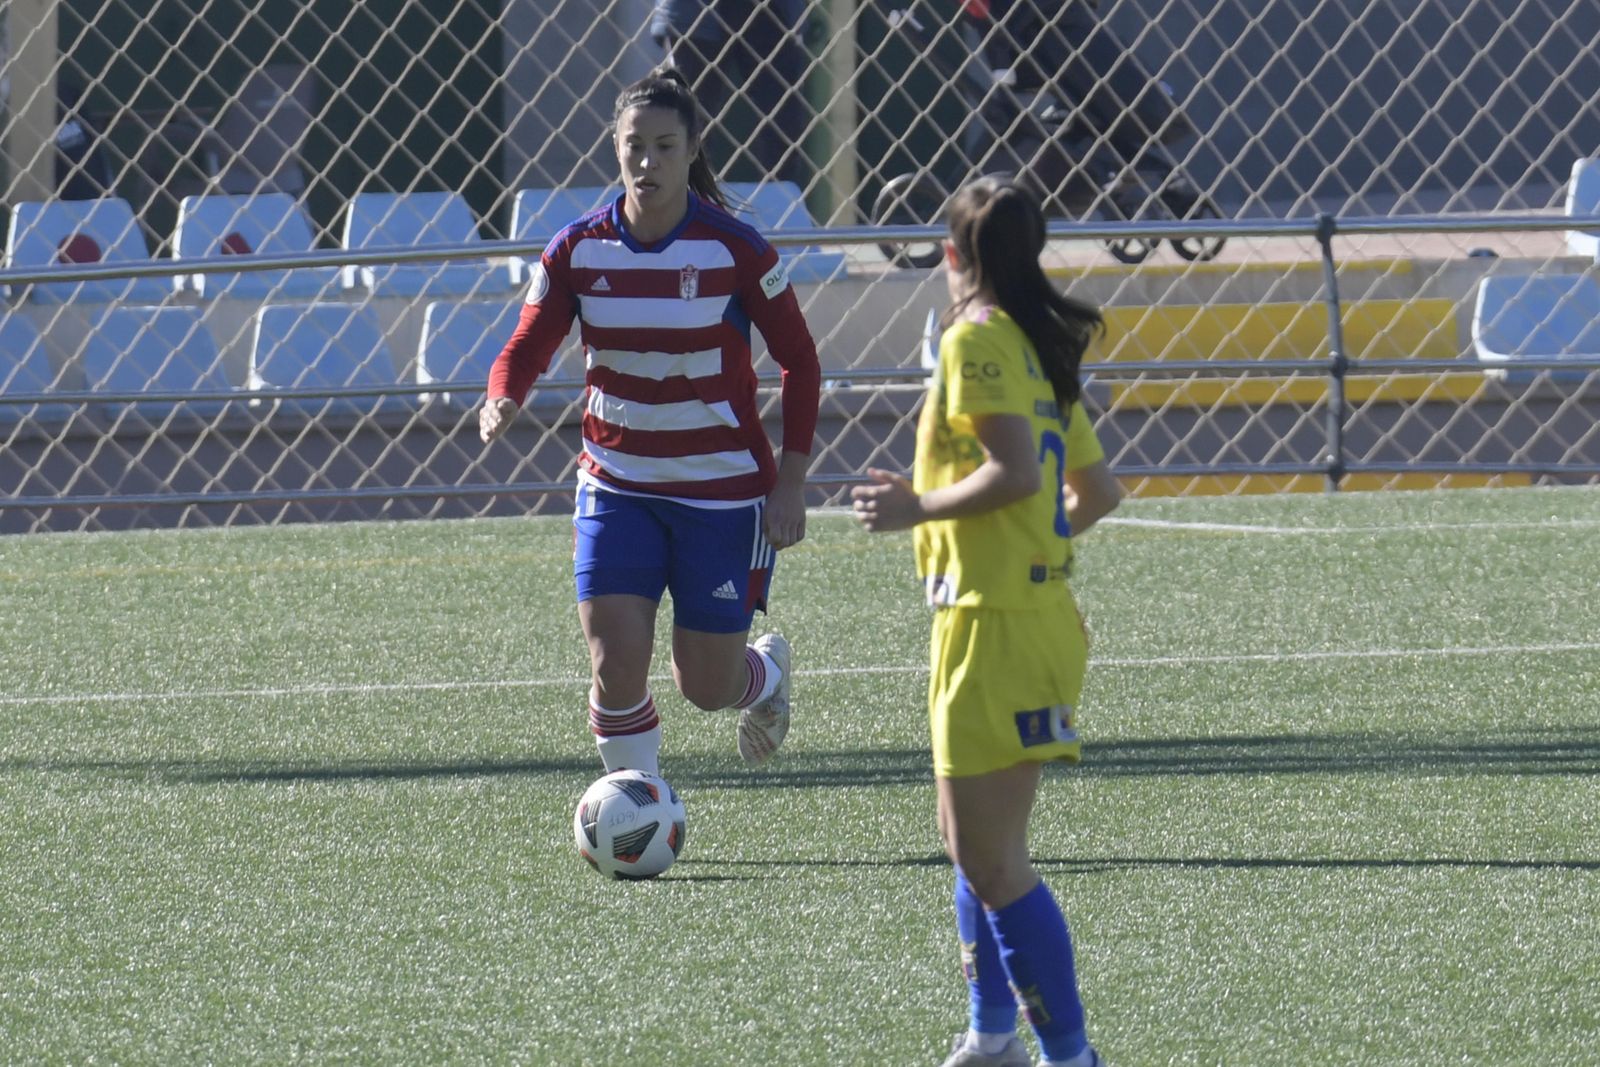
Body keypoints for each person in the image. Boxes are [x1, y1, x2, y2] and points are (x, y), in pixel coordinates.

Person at [850, 175, 1122, 1067]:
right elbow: (1096, 491)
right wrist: (1030, 549)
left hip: (998, 626)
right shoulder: (1036, 344)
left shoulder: (977, 338)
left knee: (996, 863)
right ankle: (992, 1033)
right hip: (1019, 612)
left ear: (954, 255)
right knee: (973, 849)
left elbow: (1015, 473)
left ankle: (1069, 1055)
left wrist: (917, 506)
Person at [480, 66, 822, 774]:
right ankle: (635, 805)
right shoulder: (578, 248)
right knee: (613, 660)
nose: (647, 162)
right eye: (635, 145)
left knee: (706, 685)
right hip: (618, 486)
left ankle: (768, 676)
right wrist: (502, 394)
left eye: (665, 146)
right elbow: (526, 343)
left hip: (722, 493)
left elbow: (801, 363)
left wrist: (790, 481)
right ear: (615, 146)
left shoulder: (738, 250)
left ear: (693, 149)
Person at [649, 0, 811, 184]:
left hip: (774, 9)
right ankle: (689, 198)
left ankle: (778, 202)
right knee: (688, 115)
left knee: (784, 119)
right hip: (693, 9)